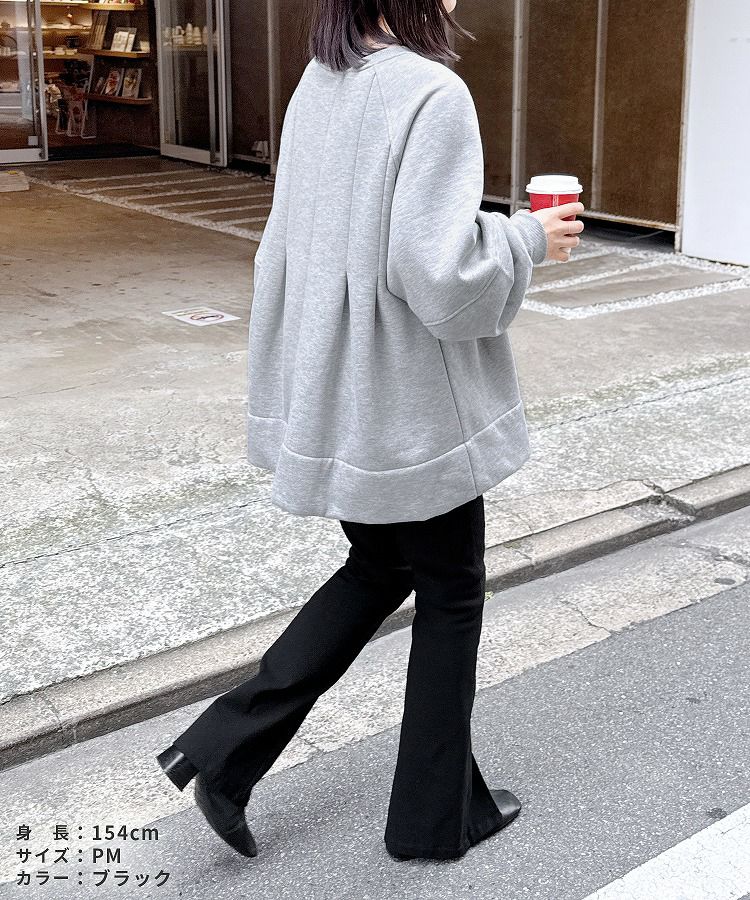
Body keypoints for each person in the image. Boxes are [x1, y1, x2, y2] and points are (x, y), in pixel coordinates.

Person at [156, 0, 584, 862]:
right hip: (408, 403)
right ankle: (432, 819)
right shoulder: (432, 92)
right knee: (452, 592)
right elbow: (440, 275)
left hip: (343, 385)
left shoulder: (322, 79)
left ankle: (225, 753)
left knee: (381, 565)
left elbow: (308, 242)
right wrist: (529, 238)